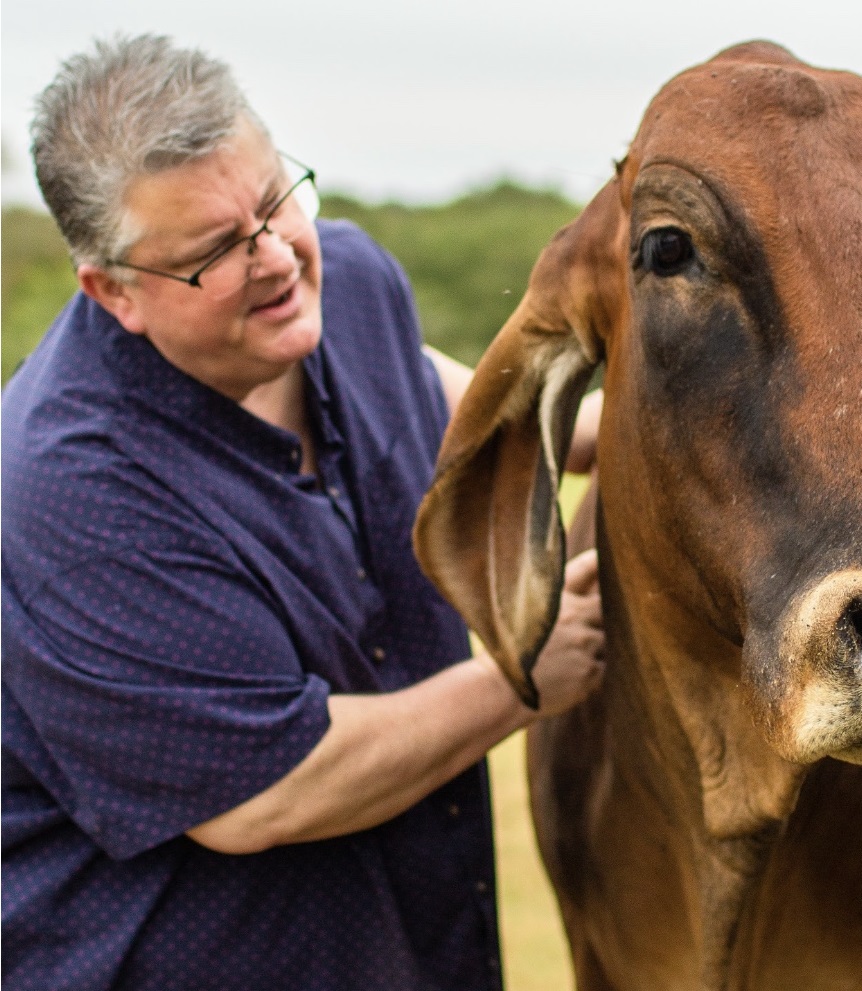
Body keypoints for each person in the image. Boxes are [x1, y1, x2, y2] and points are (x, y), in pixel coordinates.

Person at [1, 34, 605, 991]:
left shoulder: (347, 285)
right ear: (112, 291)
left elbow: (436, 392)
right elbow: (266, 791)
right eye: (215, 251)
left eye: (279, 199)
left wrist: (638, 428)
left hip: (418, 943)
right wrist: (520, 675)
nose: (277, 256)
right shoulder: (71, 491)